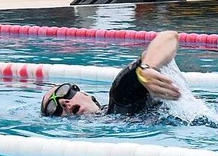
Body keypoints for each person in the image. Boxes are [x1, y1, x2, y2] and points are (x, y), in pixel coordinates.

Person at [41, 30, 182, 117]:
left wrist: (147, 68)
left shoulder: (120, 97)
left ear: (85, 95)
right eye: (53, 108)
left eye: (64, 91)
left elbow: (169, 37)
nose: (63, 102)